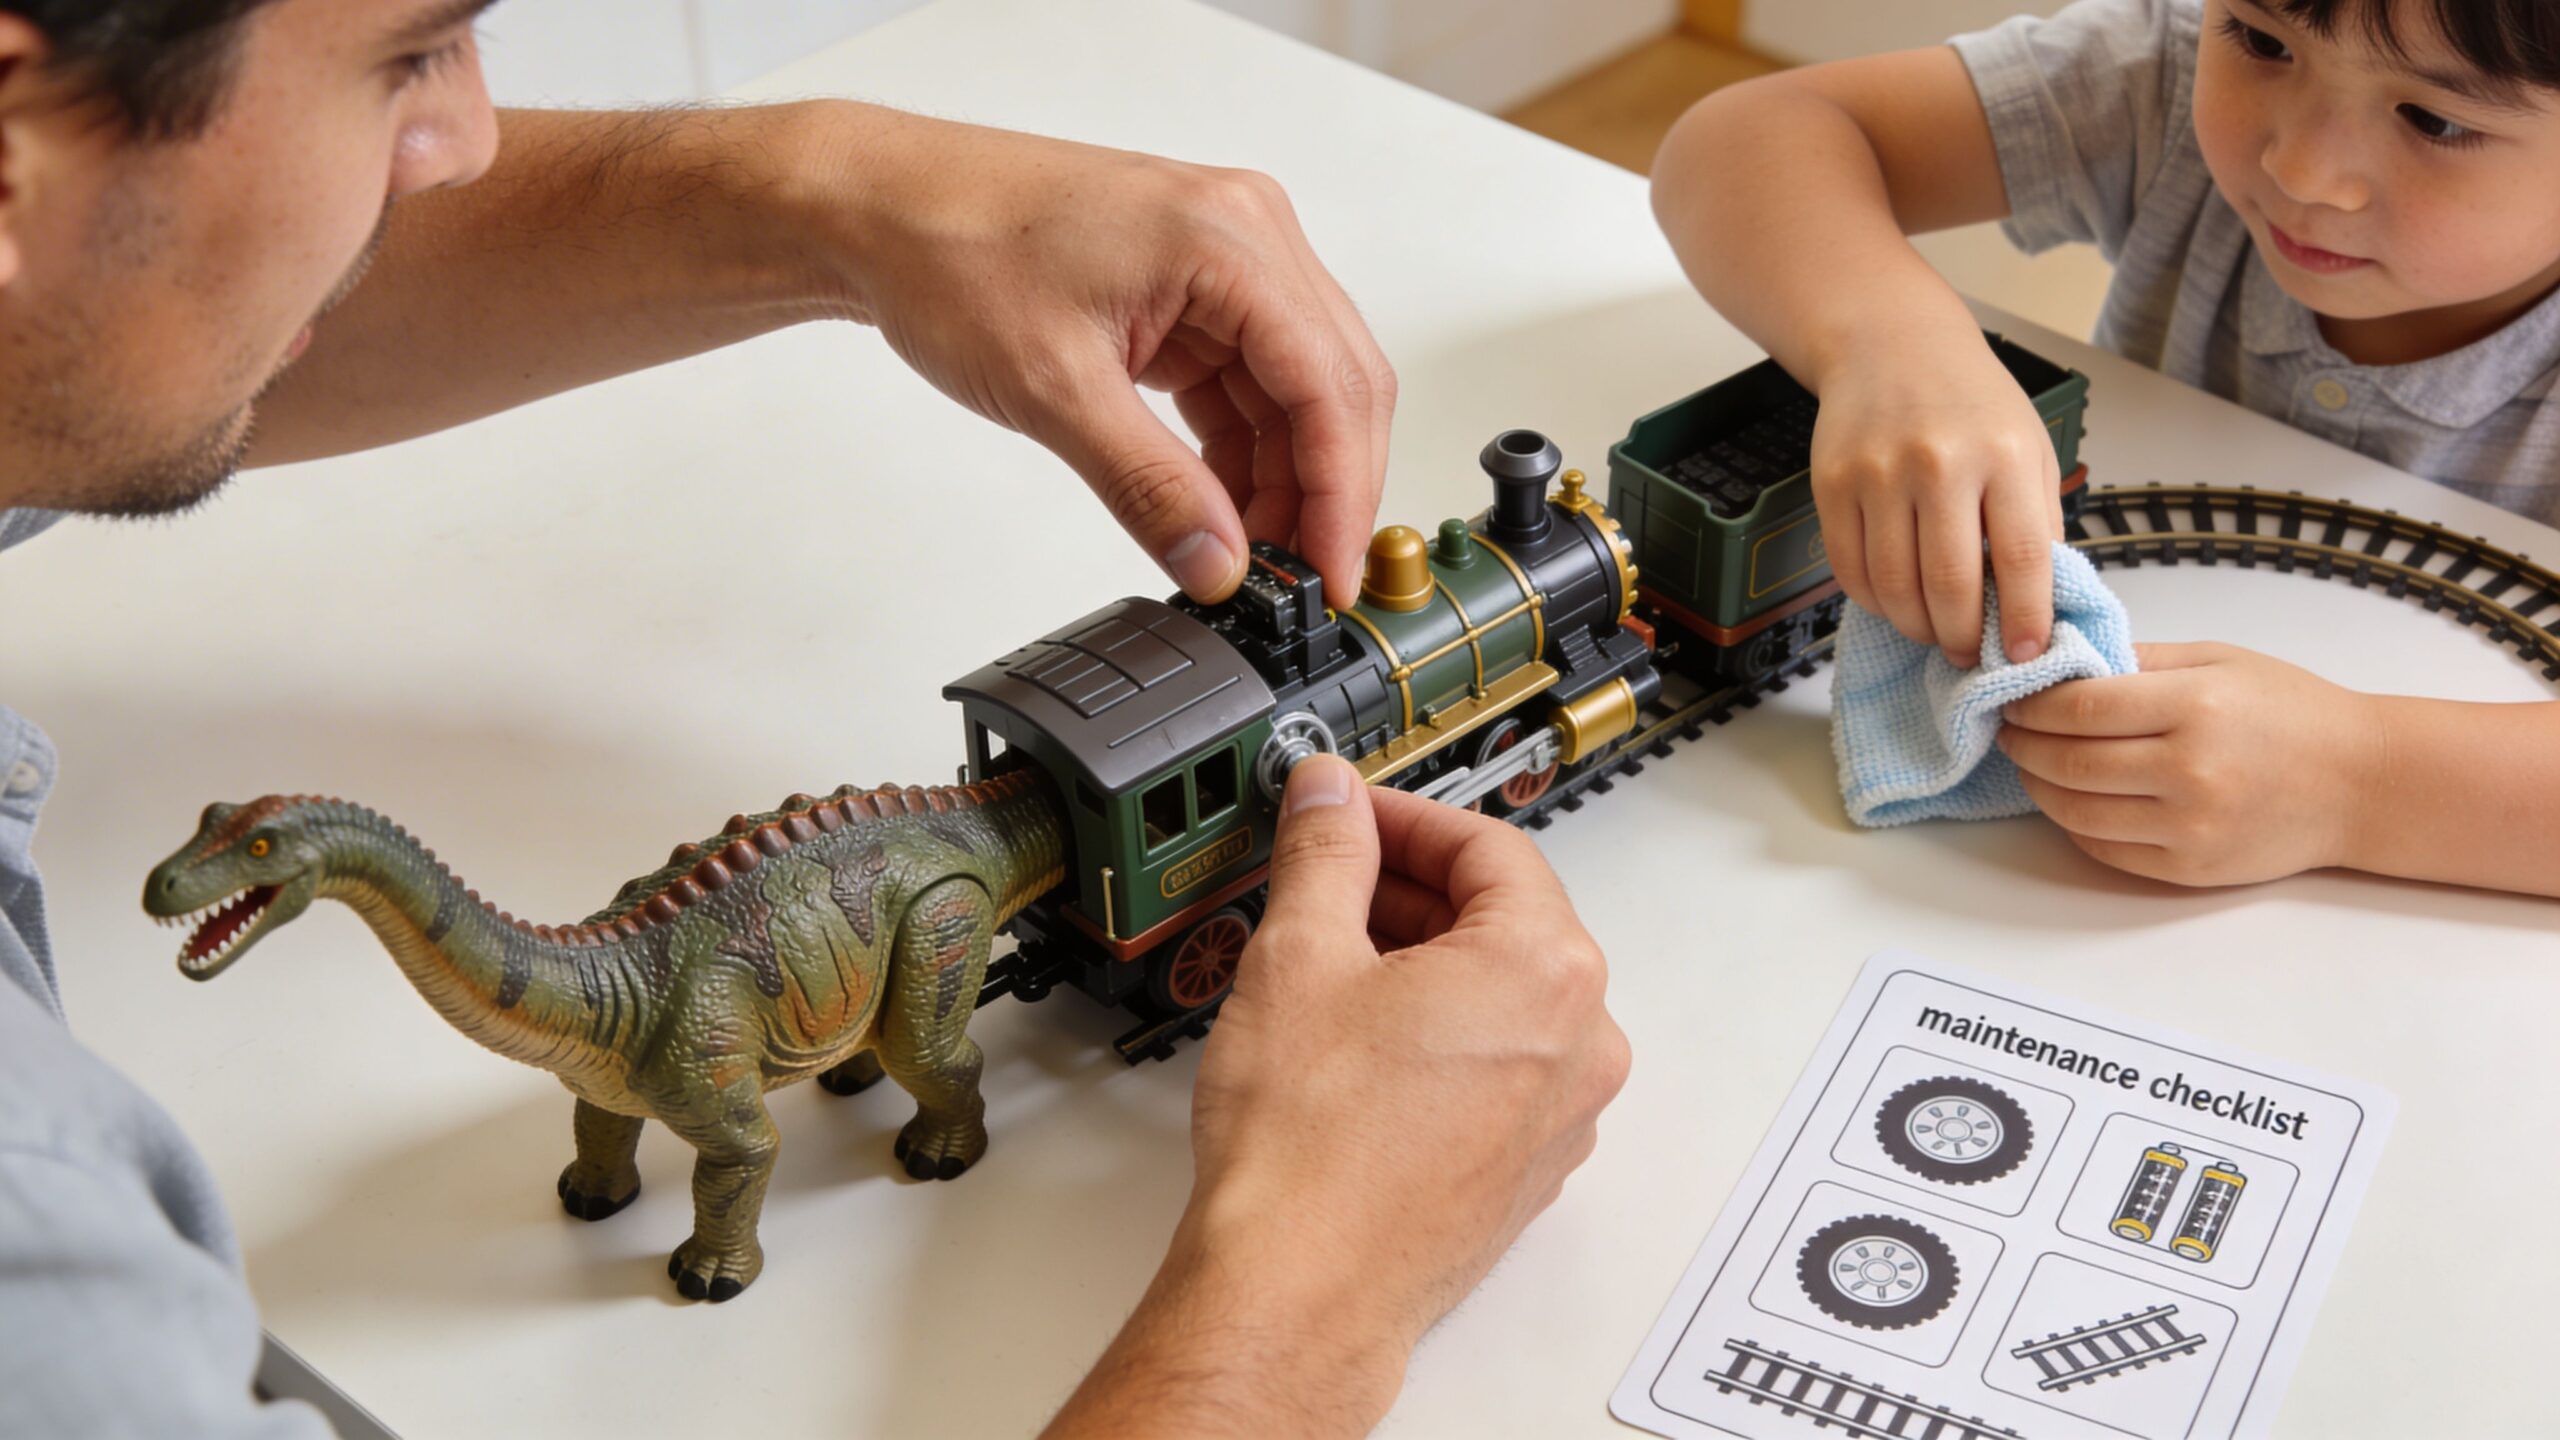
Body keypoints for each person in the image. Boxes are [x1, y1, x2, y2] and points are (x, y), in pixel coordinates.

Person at [0, 2, 1631, 1435]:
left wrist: (841, 192)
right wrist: (1309, 1308)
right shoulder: (46, 1281)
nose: (471, 132)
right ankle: (930, 1091)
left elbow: (195, 299)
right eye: (407, 55)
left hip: (836, 914)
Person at [1651, 0, 2560, 896]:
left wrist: (2358, 781)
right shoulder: (2157, 76)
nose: (2303, 168)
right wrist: (1890, 344)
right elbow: (1741, 139)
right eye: (2259, 40)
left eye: (2434, 119)